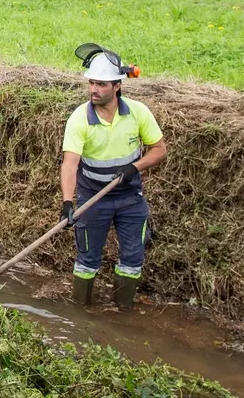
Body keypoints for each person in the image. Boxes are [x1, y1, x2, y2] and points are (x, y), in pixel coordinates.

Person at [60, 44, 166, 308]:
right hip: (93, 198)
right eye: (92, 83)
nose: (94, 89)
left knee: (132, 259)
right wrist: (67, 203)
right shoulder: (79, 119)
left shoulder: (138, 113)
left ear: (117, 86)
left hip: (130, 196)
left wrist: (135, 167)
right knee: (87, 261)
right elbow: (70, 164)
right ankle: (80, 313)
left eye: (101, 84)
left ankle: (123, 312)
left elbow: (159, 150)